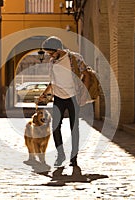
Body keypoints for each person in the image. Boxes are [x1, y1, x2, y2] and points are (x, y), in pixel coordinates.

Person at [38, 36, 88, 167]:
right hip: (58, 97)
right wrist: (44, 94)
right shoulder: (52, 62)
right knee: (55, 127)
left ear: (58, 49)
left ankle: (74, 157)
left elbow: (86, 73)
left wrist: (83, 92)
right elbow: (53, 81)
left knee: (74, 128)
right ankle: (61, 155)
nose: (50, 55)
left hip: (73, 97)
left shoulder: (75, 58)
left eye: (51, 52)